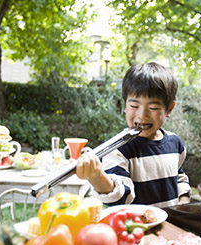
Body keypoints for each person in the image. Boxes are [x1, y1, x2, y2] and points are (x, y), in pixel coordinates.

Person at [75, 62, 191, 207]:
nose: (142, 115)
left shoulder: (175, 143)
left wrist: (184, 200)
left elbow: (179, 177)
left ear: (169, 109)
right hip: (136, 227)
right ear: (125, 105)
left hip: (171, 226)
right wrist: (97, 177)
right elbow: (119, 196)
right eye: (134, 106)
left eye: (153, 107)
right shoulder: (119, 149)